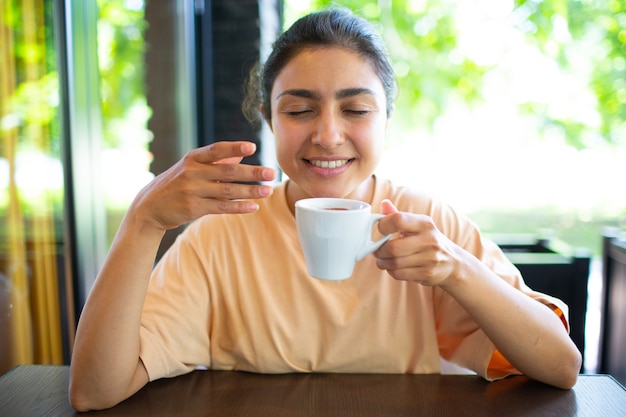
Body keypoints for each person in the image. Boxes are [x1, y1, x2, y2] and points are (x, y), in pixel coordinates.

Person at [69, 7, 582, 411]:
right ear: (269, 119)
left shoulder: (427, 222)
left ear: (386, 118)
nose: (328, 135)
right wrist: (143, 220)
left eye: (356, 110)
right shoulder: (220, 235)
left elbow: (560, 367)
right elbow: (95, 391)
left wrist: (456, 270)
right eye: (298, 110)